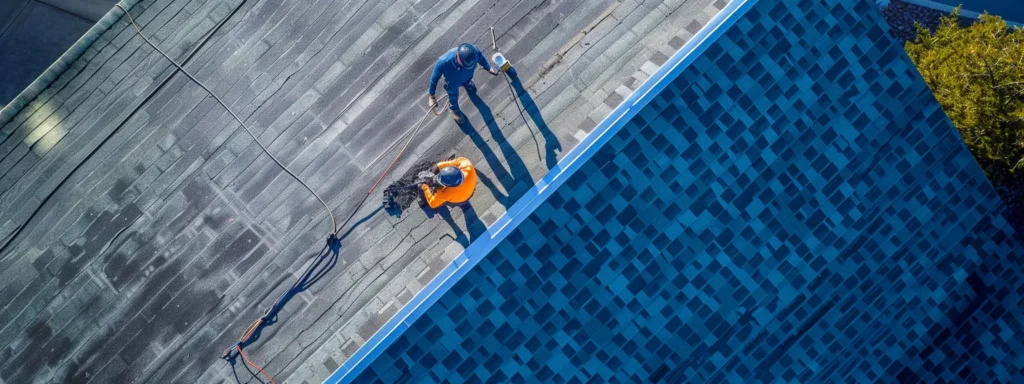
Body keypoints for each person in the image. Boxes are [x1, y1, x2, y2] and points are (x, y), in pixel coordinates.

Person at [427, 43, 498, 123]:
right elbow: (434, 78)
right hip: (452, 84)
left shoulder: (474, 52)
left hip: (467, 77)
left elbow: (481, 59)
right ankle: (454, 109)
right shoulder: (444, 61)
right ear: (457, 55)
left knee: (468, 81)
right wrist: (431, 95)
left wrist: (489, 67)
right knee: (453, 97)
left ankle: (468, 84)